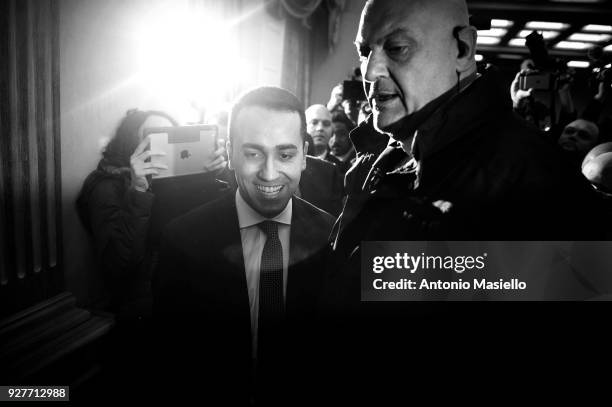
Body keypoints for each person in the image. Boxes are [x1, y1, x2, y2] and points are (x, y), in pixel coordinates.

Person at [316, 0, 606, 402]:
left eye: (396, 49)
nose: (370, 72)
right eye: (365, 51)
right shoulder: (396, 151)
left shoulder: (527, 170)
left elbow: (590, 278)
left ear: (463, 51)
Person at [153, 87, 334, 404]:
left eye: (286, 154)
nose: (269, 172)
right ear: (230, 152)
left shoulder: (333, 235)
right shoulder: (182, 239)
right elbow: (170, 356)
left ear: (305, 155)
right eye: (253, 153)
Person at [76, 109, 176, 316]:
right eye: (155, 137)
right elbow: (119, 266)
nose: (162, 147)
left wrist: (214, 176)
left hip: (171, 288)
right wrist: (138, 190)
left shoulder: (168, 181)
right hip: (134, 304)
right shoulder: (106, 187)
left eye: (170, 137)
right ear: (132, 143)